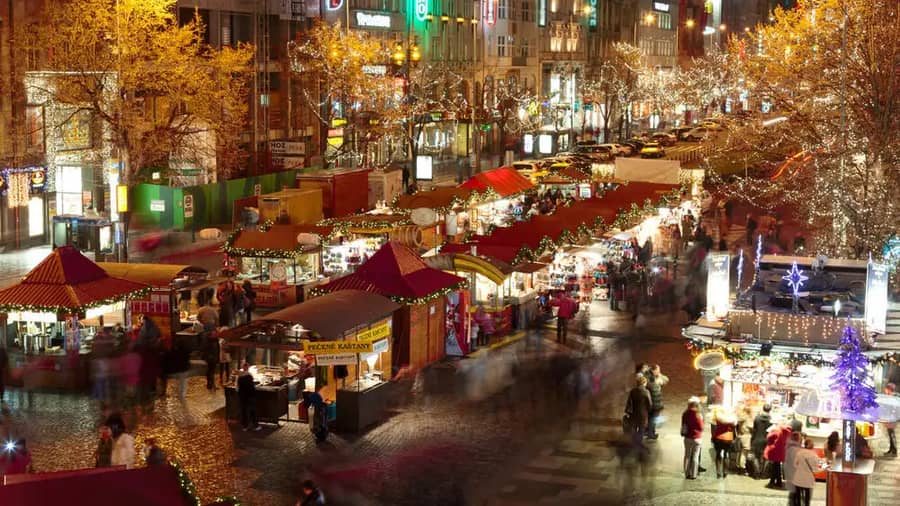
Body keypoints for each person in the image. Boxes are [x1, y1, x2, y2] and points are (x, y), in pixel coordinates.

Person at [624, 374, 652, 442]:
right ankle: (639, 442)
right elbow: (650, 404)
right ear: (643, 383)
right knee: (641, 429)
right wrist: (648, 410)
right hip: (643, 413)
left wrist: (628, 412)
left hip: (634, 413)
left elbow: (629, 403)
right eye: (645, 383)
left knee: (634, 427)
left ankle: (634, 441)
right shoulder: (646, 392)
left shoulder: (633, 391)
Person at [711, 406, 737, 479]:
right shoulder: (732, 419)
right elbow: (735, 426)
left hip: (718, 437)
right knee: (726, 455)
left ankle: (718, 472)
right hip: (728, 438)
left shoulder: (719, 417)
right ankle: (725, 472)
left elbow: (713, 425)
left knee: (718, 454)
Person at [681, 397, 704, 479]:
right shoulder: (698, 415)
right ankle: (694, 474)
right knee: (695, 457)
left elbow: (683, 424)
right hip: (697, 438)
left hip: (687, 437)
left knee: (687, 455)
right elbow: (701, 427)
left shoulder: (685, 413)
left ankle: (687, 473)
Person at [764, 422, 791, 488]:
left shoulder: (776, 430)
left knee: (775, 467)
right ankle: (778, 482)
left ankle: (772, 482)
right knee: (777, 466)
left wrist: (771, 431)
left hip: (775, 450)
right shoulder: (788, 431)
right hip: (782, 451)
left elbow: (769, 437)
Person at [791, 439, 818, 506]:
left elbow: (794, 464)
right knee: (807, 495)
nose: (813, 445)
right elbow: (815, 470)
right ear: (810, 445)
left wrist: (800, 468)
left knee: (797, 495)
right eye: (812, 444)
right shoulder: (814, 455)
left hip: (798, 478)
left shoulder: (799, 453)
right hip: (808, 480)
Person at [645, 364, 668, 440]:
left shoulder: (657, 375)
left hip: (655, 401)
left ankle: (649, 431)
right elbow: (649, 386)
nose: (659, 372)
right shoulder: (648, 376)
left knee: (652, 418)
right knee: (653, 418)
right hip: (653, 402)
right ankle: (651, 434)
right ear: (653, 370)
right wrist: (656, 382)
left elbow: (666, 379)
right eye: (658, 370)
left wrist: (659, 377)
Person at [237, 362, 261, 431]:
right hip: (250, 396)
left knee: (244, 410)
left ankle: (245, 426)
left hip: (242, 396)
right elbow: (251, 387)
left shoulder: (239, 377)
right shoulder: (249, 376)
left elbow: (237, 388)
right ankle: (255, 426)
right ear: (247, 368)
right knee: (252, 410)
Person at [750, 403, 773, 478]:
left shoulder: (757, 418)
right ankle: (764, 474)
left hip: (756, 439)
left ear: (763, 408)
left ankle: (757, 474)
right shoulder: (771, 420)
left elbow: (754, 429)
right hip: (767, 440)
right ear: (770, 410)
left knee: (756, 457)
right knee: (766, 457)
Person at [783, 431, 802, 504]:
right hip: (794, 472)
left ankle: (792, 502)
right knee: (795, 491)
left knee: (793, 491)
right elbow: (796, 462)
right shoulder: (795, 449)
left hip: (789, 470)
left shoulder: (789, 447)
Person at [883, 383, 897, 456]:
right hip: (889, 418)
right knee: (890, 434)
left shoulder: (892, 398)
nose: (885, 390)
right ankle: (891, 449)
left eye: (886, 389)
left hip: (892, 419)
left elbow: (893, 409)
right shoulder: (889, 397)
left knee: (891, 434)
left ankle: (894, 450)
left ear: (889, 389)